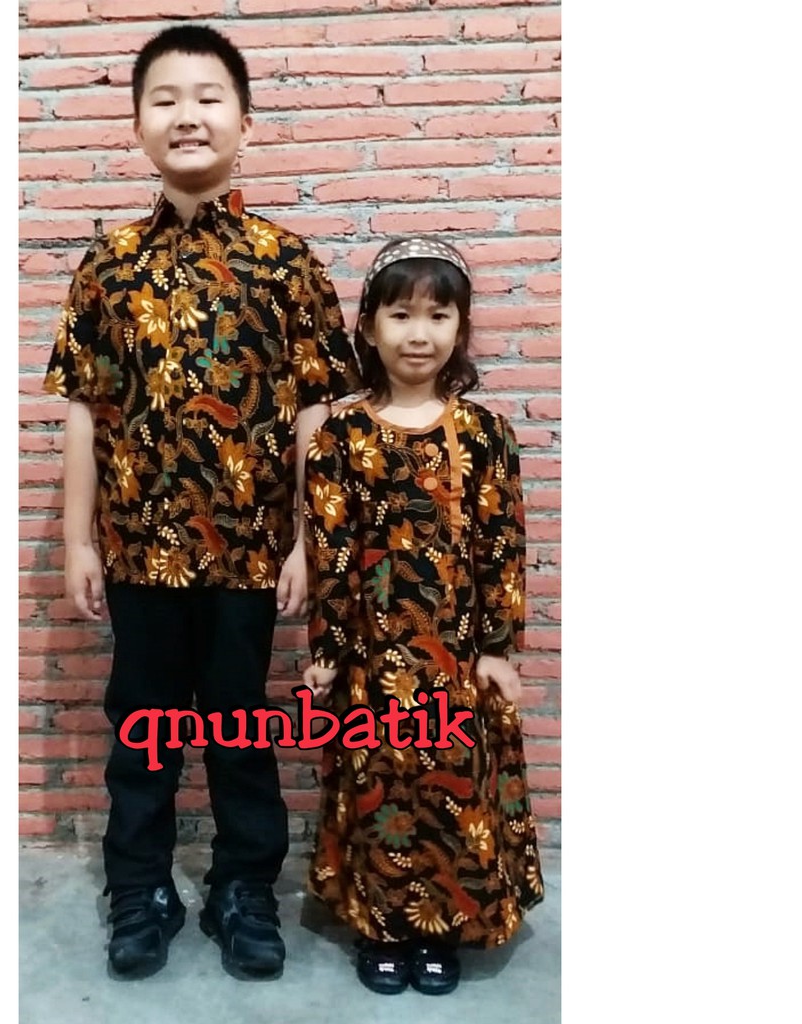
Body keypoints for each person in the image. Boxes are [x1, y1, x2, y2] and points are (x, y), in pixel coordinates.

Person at [42, 23, 361, 979]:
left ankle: (243, 890)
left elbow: (314, 416)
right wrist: (77, 542)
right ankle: (139, 889)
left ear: (245, 122)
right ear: (137, 125)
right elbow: (86, 412)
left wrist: (307, 538)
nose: (188, 115)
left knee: (238, 729)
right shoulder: (108, 266)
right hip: (138, 551)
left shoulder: (287, 263)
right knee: (141, 730)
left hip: (252, 553)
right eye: (166, 99)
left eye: (210, 97)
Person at [301, 237, 544, 996]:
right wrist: (328, 651)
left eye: (438, 316)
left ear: (460, 328)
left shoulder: (485, 435)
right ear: (368, 326)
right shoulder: (341, 438)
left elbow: (502, 546)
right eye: (400, 314)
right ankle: (382, 927)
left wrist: (499, 649)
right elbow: (331, 552)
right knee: (379, 792)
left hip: (458, 659)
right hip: (373, 663)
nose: (418, 334)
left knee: (452, 790)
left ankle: (444, 927)